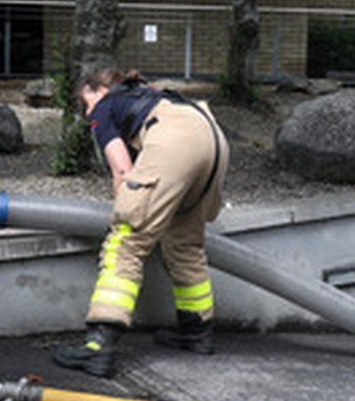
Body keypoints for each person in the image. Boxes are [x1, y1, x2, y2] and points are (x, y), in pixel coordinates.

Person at [52, 68, 230, 378]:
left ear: (96, 91)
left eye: (85, 104)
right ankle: (196, 331)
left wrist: (128, 211)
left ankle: (99, 346)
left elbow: (122, 170)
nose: (87, 113)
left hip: (175, 142)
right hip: (211, 138)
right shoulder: (146, 93)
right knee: (185, 242)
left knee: (126, 240)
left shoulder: (104, 107)